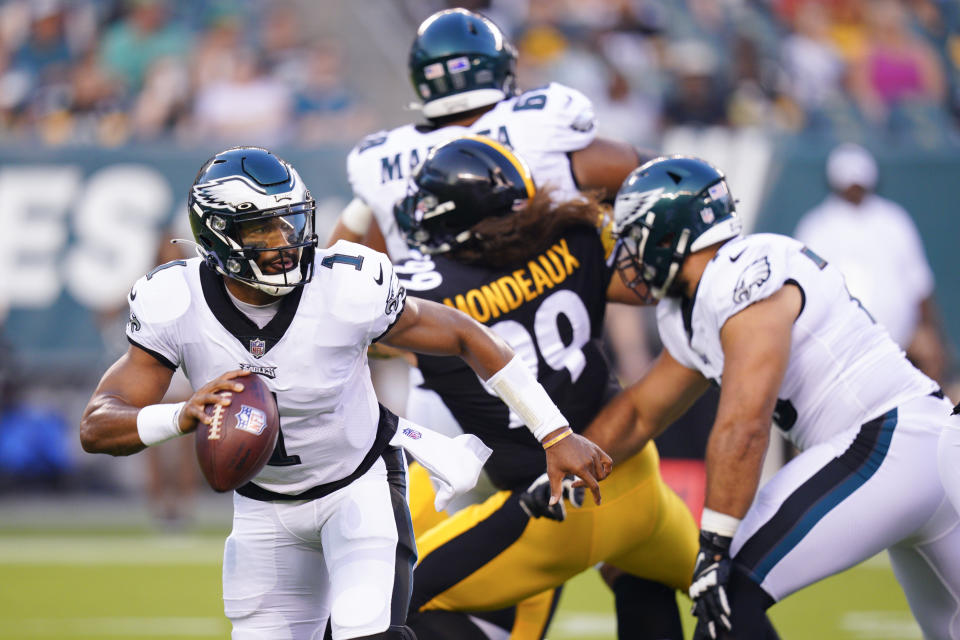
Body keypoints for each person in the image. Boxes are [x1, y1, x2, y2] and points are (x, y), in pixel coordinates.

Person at [78, 146, 610, 640]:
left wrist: (555, 431)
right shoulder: (175, 300)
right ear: (220, 234)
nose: (286, 236)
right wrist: (179, 415)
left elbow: (467, 335)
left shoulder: (345, 285)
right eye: (264, 226)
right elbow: (99, 424)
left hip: (357, 488)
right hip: (263, 510)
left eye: (289, 218)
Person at [581, 155, 960, 640]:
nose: (627, 255)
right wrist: (563, 463)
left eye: (634, 237)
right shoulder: (695, 304)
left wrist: (715, 547)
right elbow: (639, 413)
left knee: (727, 595)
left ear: (668, 235)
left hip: (884, 441)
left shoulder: (743, 274)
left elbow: (745, 423)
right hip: (925, 444)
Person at [392, 136, 699, 640]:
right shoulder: (576, 240)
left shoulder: (428, 290)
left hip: (553, 505)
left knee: (395, 598)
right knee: (704, 588)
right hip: (636, 476)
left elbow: (351, 331)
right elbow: (651, 285)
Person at [793, 142, 948, 384]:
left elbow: (920, 285)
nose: (855, 189)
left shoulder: (893, 219)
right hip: (840, 343)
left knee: (930, 354)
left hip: (901, 337)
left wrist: (934, 332)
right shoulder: (817, 225)